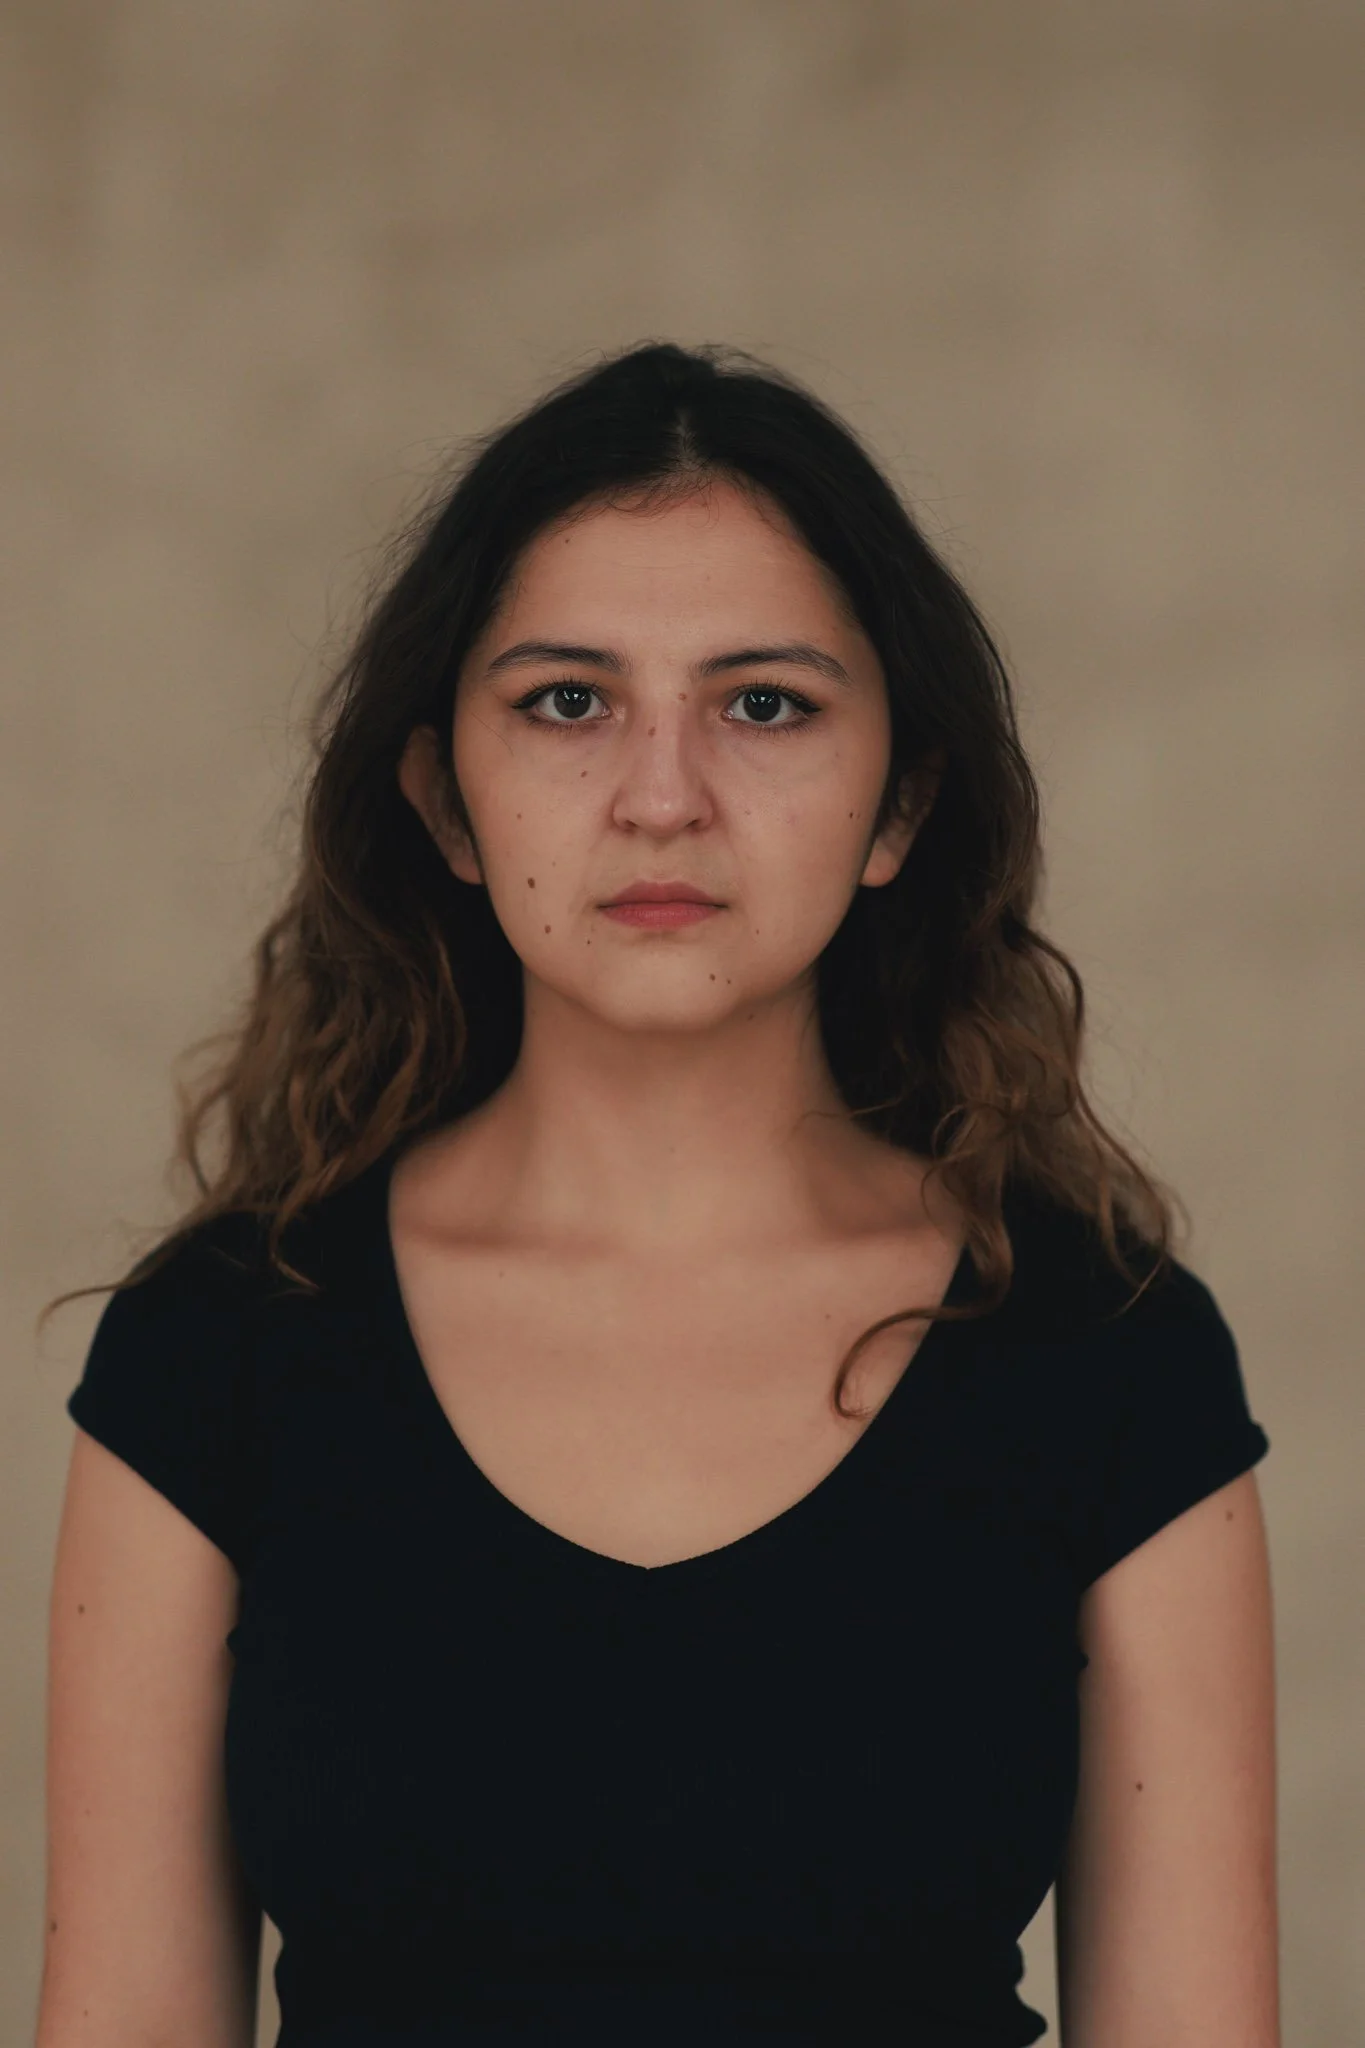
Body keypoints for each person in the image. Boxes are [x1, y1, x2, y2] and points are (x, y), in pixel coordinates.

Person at [38, 342, 1278, 2047]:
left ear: (900, 799)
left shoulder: (1109, 1361)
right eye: (567, 701)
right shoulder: (220, 1358)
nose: (662, 796)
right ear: (442, 802)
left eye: (763, 703)